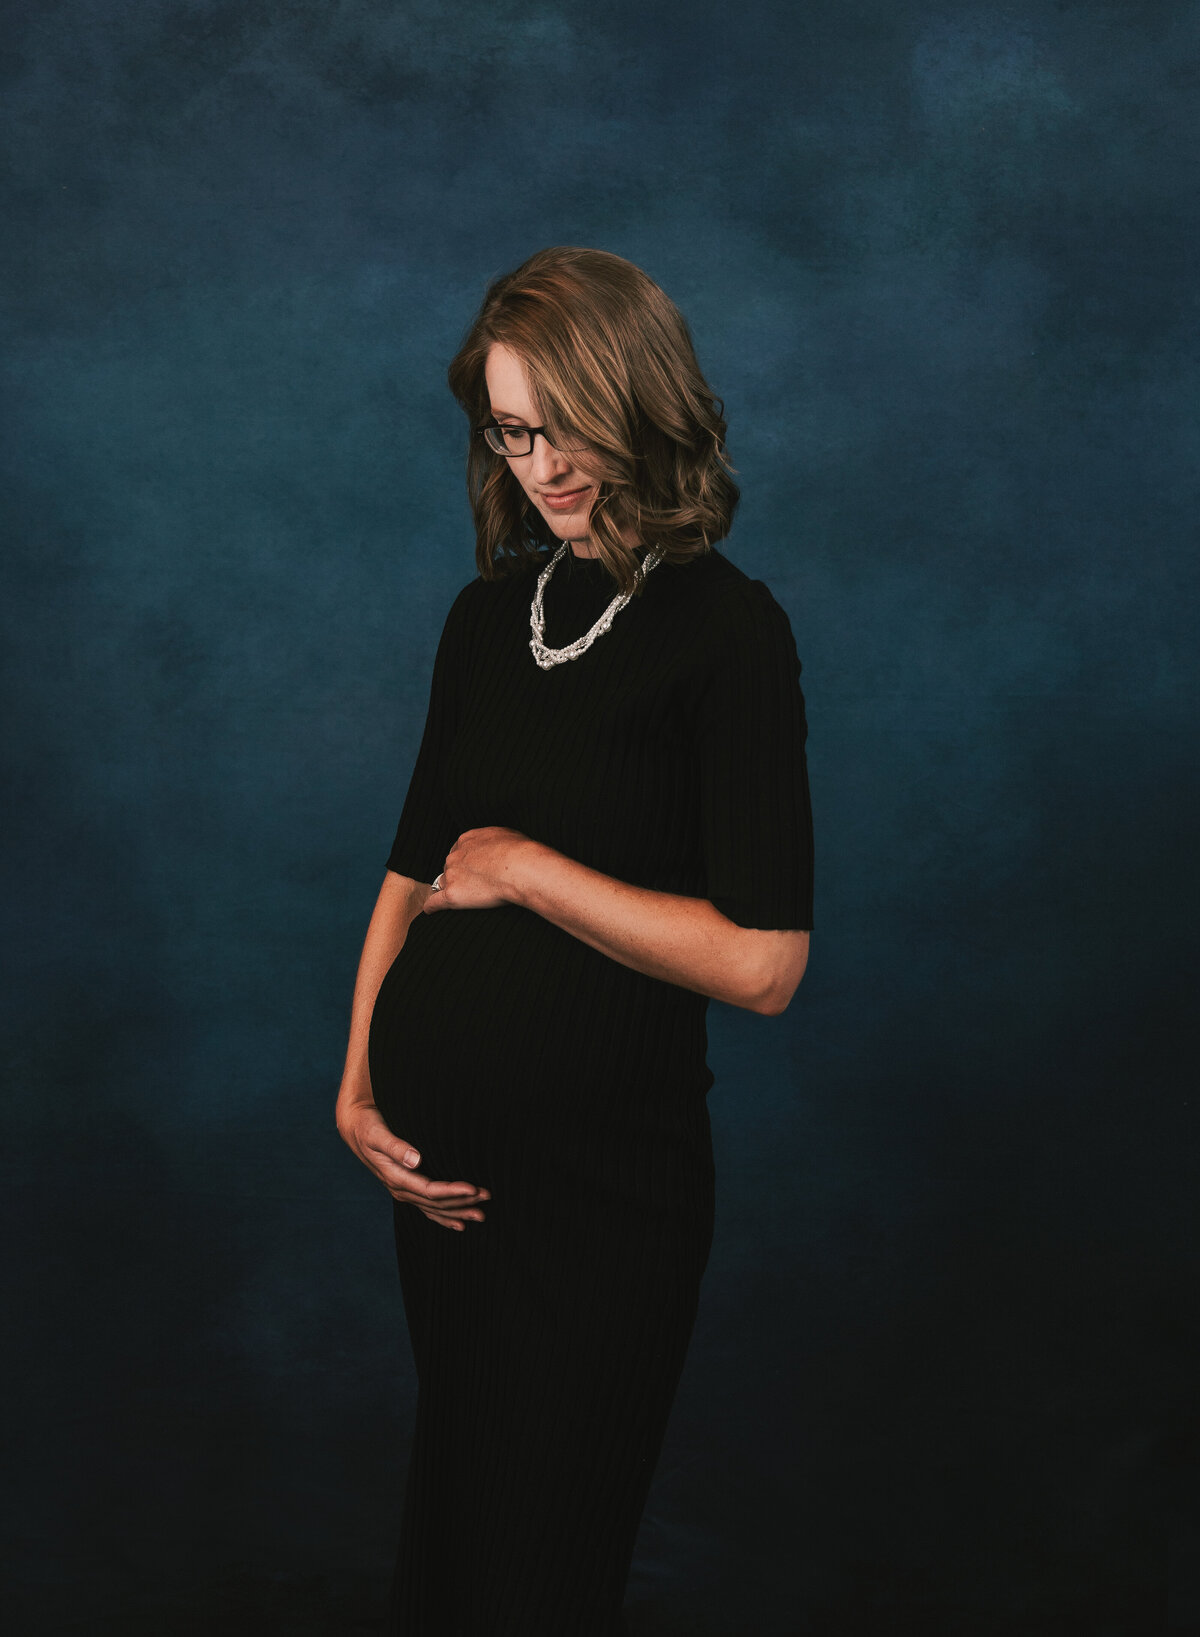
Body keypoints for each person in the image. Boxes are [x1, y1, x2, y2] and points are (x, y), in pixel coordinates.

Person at [335, 245, 814, 1637]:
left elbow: (765, 961)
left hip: (609, 1202)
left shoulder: (729, 634)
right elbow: (412, 862)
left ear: (639, 400)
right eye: (509, 427)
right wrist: (359, 1079)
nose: (538, 461)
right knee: (456, 1552)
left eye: (563, 423)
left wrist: (537, 871)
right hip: (453, 1192)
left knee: (546, 1571)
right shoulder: (486, 622)